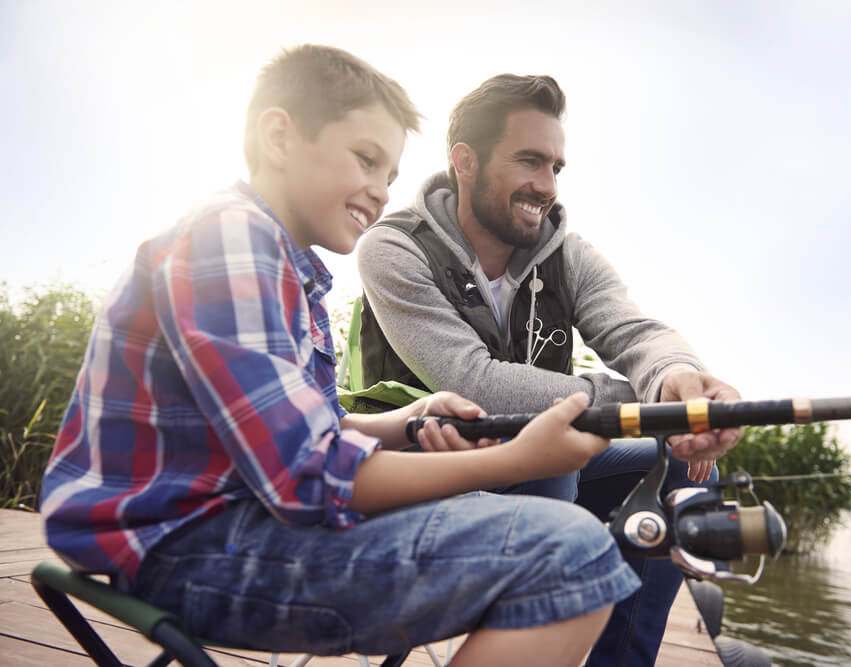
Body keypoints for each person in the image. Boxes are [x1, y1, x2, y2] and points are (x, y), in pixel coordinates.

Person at [39, 47, 642, 667]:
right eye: (365, 160)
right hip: (189, 549)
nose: (380, 193)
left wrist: (408, 420)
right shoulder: (232, 241)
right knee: (572, 554)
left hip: (233, 528)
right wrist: (517, 459)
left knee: (567, 543)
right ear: (279, 135)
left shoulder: (282, 264)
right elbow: (308, 477)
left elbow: (311, 433)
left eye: (389, 175)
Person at [357, 73, 744, 666]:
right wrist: (626, 401)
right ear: (465, 161)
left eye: (556, 167)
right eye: (529, 162)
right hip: (419, 464)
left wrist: (676, 378)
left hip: (534, 460)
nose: (546, 186)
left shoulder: (569, 253)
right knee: (553, 450)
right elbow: (473, 378)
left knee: (684, 471)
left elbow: (634, 331)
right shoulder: (392, 248)